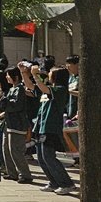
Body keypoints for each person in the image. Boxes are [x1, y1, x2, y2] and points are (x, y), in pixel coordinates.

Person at [30, 65, 75, 195]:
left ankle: (67, 183)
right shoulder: (48, 90)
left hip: (50, 128)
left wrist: (35, 75)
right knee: (41, 157)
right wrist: (24, 73)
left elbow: (44, 88)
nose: (48, 74)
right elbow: (36, 88)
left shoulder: (60, 90)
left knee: (49, 157)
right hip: (40, 126)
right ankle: (53, 182)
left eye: (50, 72)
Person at [0, 65, 37, 184]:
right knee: (6, 149)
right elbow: (7, 106)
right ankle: (12, 172)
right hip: (9, 123)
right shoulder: (13, 89)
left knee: (15, 150)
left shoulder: (20, 89)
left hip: (17, 124)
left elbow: (15, 106)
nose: (7, 77)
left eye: (9, 75)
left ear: (15, 77)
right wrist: (1, 113)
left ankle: (25, 174)